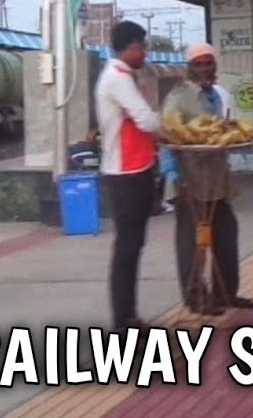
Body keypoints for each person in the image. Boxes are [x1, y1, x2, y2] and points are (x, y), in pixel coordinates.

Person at [158, 44, 253, 316]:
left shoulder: (218, 94)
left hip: (217, 179)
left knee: (226, 235)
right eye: (198, 64)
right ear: (190, 68)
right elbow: (166, 138)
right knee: (192, 243)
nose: (204, 69)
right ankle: (196, 297)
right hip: (189, 179)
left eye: (208, 63)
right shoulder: (179, 96)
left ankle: (225, 293)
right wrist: (174, 177)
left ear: (215, 66)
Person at [94, 21, 165, 331]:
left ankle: (129, 316)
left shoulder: (119, 76)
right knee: (127, 249)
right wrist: (167, 127)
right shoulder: (118, 78)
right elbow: (146, 120)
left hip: (134, 169)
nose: (144, 53)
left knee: (132, 247)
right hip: (127, 174)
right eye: (141, 47)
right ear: (129, 47)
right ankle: (123, 322)